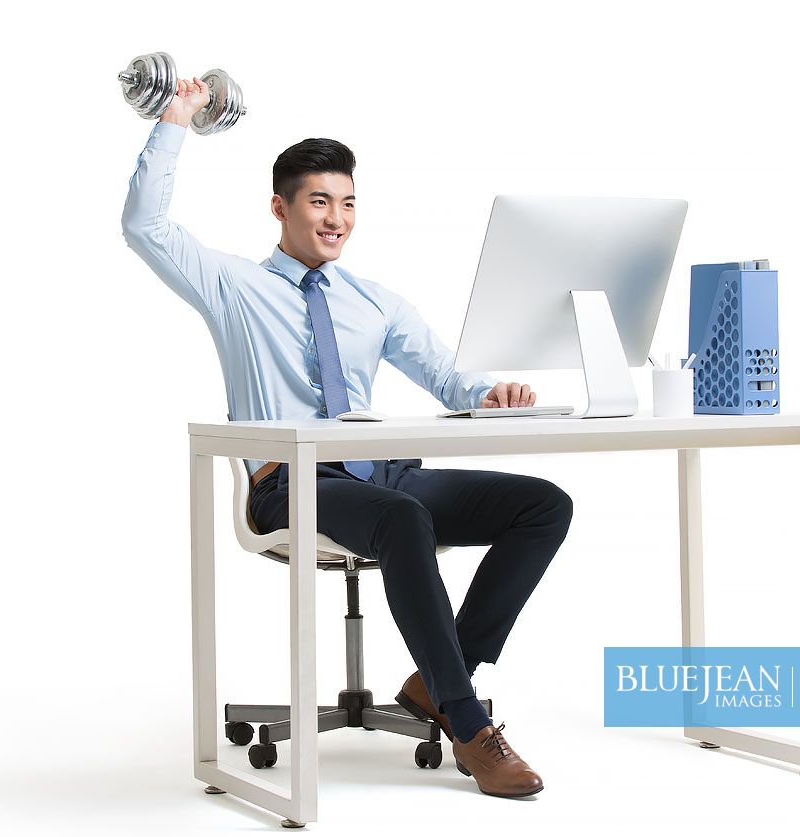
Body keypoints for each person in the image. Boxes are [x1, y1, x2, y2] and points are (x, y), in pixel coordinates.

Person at [121, 76, 573, 798]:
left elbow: (448, 377)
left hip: (382, 476)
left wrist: (492, 394)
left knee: (542, 504)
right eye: (319, 201)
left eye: (348, 202)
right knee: (404, 518)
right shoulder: (233, 286)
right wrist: (176, 118)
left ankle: (434, 679)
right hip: (293, 485)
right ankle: (468, 721)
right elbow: (145, 226)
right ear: (280, 207)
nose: (337, 218)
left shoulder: (372, 300)